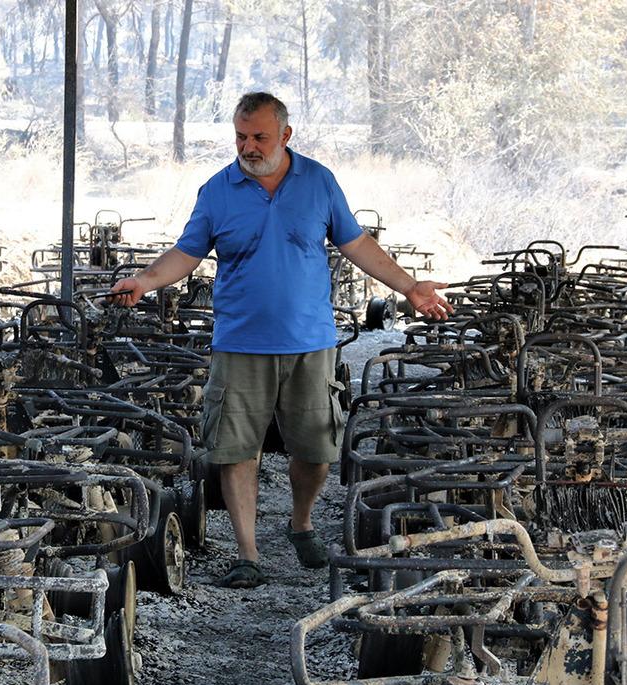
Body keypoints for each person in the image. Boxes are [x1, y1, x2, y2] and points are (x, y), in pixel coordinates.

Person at [110, 92, 452, 588]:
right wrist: (143, 281)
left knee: (316, 451)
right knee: (234, 450)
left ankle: (301, 522)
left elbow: (357, 244)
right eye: (241, 136)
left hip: (310, 343)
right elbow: (187, 253)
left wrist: (409, 287)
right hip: (240, 343)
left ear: (285, 136)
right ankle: (248, 554)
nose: (248, 147)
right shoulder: (217, 191)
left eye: (259, 137)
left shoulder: (318, 182)